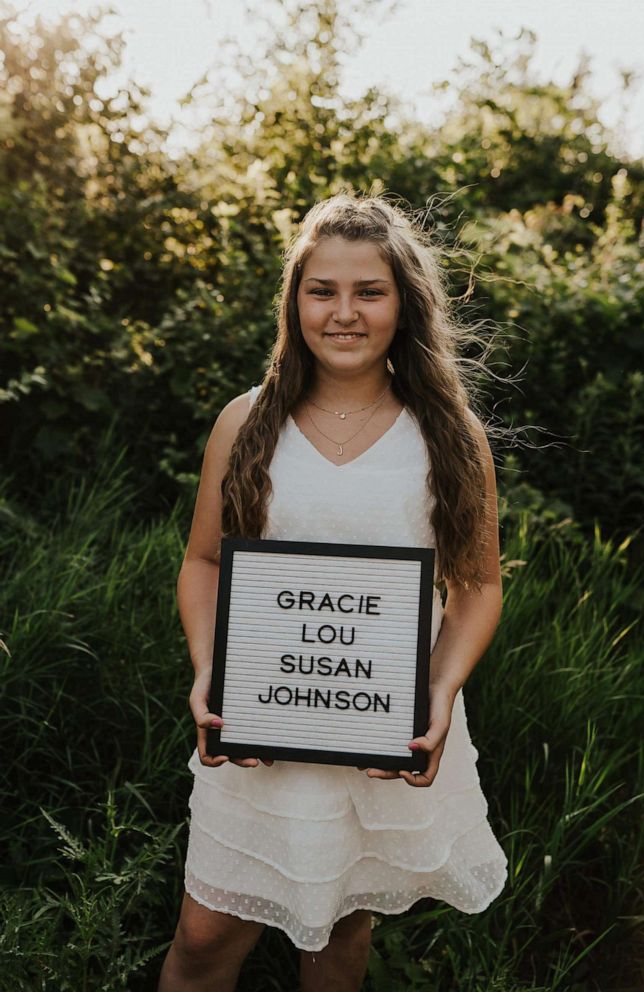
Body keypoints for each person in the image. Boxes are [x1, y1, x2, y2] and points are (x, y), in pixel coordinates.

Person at [158, 191, 508, 992]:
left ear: (404, 305)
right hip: (256, 729)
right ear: (295, 301)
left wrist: (441, 692)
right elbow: (204, 563)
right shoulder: (245, 422)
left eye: (369, 292)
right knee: (205, 937)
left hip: (379, 734)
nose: (344, 312)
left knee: (342, 938)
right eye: (323, 291)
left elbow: (478, 586)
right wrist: (210, 669)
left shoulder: (450, 435)